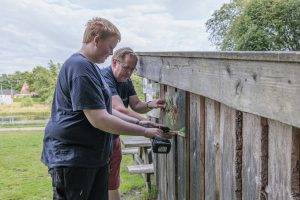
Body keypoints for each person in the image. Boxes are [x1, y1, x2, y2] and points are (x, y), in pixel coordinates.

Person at [41, 17, 175, 200]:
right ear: (96, 40)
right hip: (74, 158)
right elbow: (100, 119)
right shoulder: (79, 68)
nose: (111, 53)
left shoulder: (92, 69)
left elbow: (110, 112)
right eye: (110, 46)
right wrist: (145, 131)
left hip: (92, 157)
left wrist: (146, 124)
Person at [101, 47, 166, 200]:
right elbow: (119, 109)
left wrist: (151, 104)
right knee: (98, 182)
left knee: (113, 181)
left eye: (132, 69)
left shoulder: (126, 80)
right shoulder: (104, 77)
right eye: (126, 67)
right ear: (114, 62)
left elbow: (136, 105)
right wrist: (149, 124)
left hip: (113, 137)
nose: (129, 72)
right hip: (99, 138)